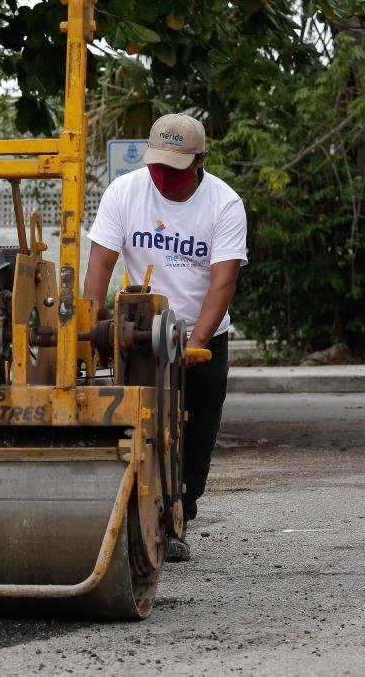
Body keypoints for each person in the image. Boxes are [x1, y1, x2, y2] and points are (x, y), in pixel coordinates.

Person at [83, 113, 247, 562]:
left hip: (202, 336)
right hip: (142, 331)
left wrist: (198, 342)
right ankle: (132, 514)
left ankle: (180, 516)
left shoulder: (224, 204)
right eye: (157, 166)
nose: (163, 177)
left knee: (195, 435)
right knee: (139, 426)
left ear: (199, 161)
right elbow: (100, 265)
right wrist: (89, 326)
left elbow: (223, 282)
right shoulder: (125, 191)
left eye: (174, 169)